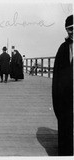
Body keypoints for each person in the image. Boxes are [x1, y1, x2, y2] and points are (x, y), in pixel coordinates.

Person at [52, 14, 73, 156]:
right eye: (67, 29)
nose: (70, 32)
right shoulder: (63, 48)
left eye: (72, 28)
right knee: (66, 129)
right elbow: (57, 77)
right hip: (67, 98)